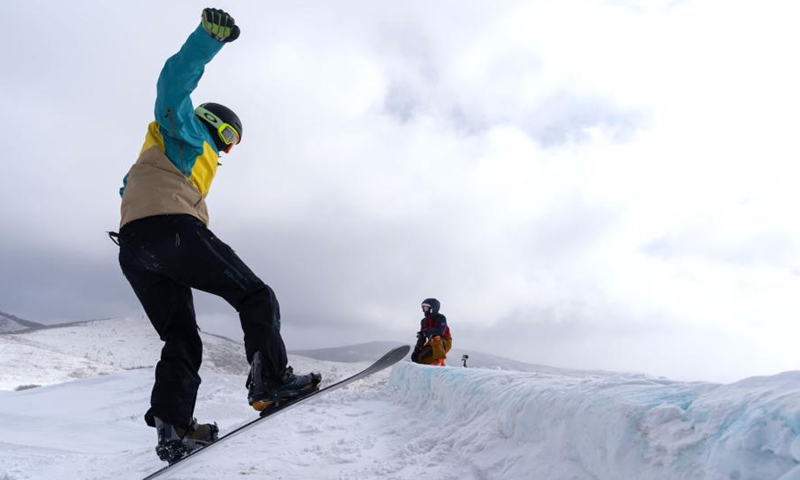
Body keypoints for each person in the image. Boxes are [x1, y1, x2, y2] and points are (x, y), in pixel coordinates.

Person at [112, 8, 321, 464]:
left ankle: (175, 428)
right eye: (229, 137)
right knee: (256, 295)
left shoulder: (163, 159)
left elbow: (129, 189)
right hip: (171, 233)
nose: (226, 149)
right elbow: (172, 84)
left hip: (135, 250)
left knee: (182, 339)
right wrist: (208, 40)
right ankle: (270, 382)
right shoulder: (187, 133)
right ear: (213, 123)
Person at [410, 298, 452, 366]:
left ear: (433, 308)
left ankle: (440, 362)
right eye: (423, 308)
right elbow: (422, 338)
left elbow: (440, 332)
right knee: (420, 358)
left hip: (444, 342)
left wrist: (426, 331)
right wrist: (416, 350)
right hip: (431, 343)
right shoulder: (424, 321)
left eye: (426, 308)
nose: (424, 310)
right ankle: (423, 366)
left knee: (435, 337)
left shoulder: (441, 318)